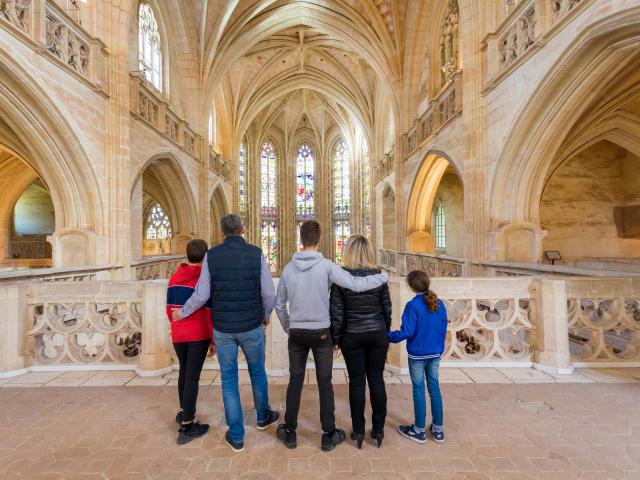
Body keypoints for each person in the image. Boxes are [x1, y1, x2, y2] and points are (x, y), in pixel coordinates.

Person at [274, 220, 389, 452]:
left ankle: (290, 432)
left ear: (301, 240)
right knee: (324, 382)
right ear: (318, 241)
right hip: (322, 334)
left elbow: (278, 305)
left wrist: (289, 327)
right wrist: (382, 277)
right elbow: (356, 285)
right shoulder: (327, 266)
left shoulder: (288, 268)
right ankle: (328, 434)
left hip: (297, 332)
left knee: (295, 380)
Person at [173, 214, 279, 453]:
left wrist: (183, 312)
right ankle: (263, 417)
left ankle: (237, 435)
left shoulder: (212, 255)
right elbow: (269, 294)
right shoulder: (256, 253)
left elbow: (201, 295)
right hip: (252, 326)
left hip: (223, 329)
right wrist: (265, 315)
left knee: (229, 380)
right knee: (257, 372)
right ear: (242, 230)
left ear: (222, 233)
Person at [329, 235, 391, 449]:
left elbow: (336, 311)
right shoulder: (380, 276)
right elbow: (387, 308)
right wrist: (385, 331)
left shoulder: (342, 278)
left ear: (349, 252)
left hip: (351, 336)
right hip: (377, 334)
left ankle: (357, 431)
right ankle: (379, 429)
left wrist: (335, 338)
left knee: (357, 382)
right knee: (377, 380)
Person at [388, 270, 447, 444]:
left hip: (418, 355)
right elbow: (443, 328)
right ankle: (438, 430)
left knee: (419, 390)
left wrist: (386, 335)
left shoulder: (413, 305)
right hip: (435, 353)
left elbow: (406, 332)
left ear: (411, 287)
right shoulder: (440, 303)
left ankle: (419, 431)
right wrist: (439, 348)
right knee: (435, 389)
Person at [166, 239, 214, 445]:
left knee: (184, 373)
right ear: (206, 257)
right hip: (198, 334)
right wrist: (213, 341)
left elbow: (169, 310)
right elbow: (210, 312)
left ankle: (183, 410)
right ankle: (187, 424)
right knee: (192, 378)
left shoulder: (175, 277)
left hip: (178, 335)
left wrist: (177, 325)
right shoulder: (203, 280)